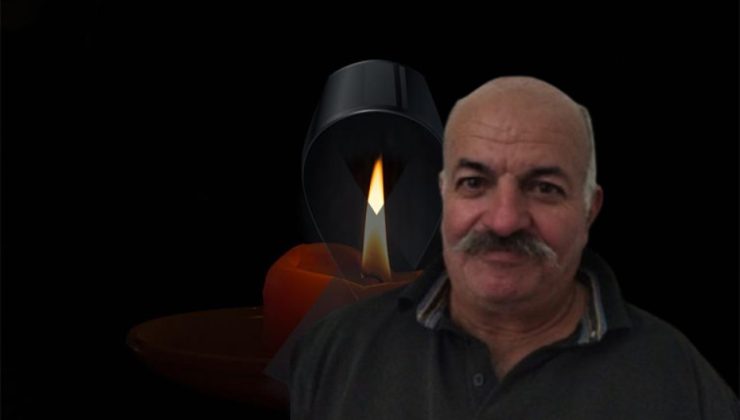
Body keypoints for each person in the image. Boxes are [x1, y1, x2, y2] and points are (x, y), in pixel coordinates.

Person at [288, 76, 739, 419]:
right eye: (474, 183)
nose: (504, 221)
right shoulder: (335, 352)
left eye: (544, 188)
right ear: (444, 195)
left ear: (589, 209)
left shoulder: (679, 379)